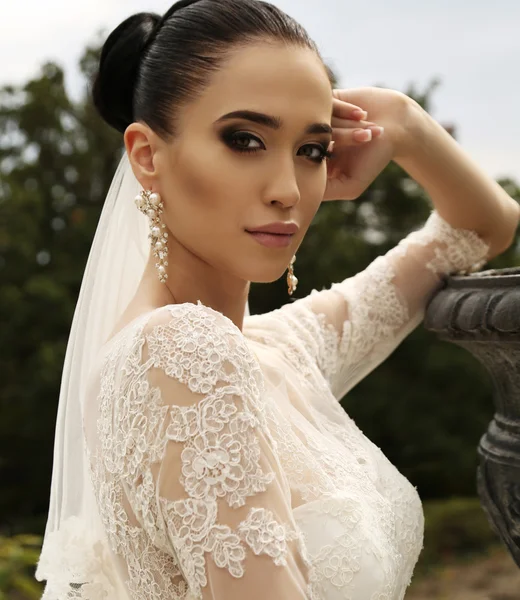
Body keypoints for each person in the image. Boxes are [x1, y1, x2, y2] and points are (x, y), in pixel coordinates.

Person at [34, 0, 520, 598]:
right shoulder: (177, 353)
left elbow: (482, 228)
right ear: (147, 156)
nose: (288, 190)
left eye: (311, 150)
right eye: (245, 139)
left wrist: (402, 122)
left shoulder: (286, 347)